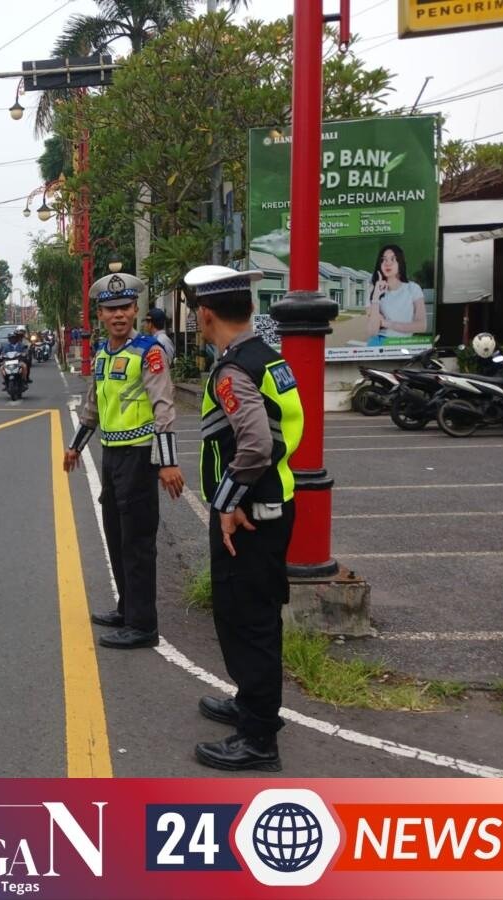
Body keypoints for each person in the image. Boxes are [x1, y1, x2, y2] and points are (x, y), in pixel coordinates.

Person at [184, 265, 303, 772]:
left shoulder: (234, 370)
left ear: (205, 314)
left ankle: (258, 738)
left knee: (245, 620)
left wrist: (228, 503)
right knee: (256, 614)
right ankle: (251, 703)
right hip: (275, 501)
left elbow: (254, 445)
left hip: (250, 513)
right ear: (249, 308)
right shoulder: (269, 358)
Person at [63, 273, 184, 650]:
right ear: (100, 315)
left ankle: (143, 625)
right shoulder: (103, 354)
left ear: (135, 311)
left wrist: (167, 462)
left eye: (125, 308)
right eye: (110, 309)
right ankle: (127, 608)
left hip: (140, 456)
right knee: (115, 534)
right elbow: (93, 407)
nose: (118, 315)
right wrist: (75, 446)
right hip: (112, 456)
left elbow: (163, 408)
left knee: (137, 541)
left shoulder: (149, 352)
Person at [365, 244, 426, 346]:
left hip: (403, 343)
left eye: (392, 259)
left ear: (400, 263)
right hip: (378, 343)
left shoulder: (413, 288)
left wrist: (386, 323)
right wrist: (376, 297)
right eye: (384, 260)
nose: (387, 263)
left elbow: (421, 326)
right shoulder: (373, 290)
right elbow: (372, 331)